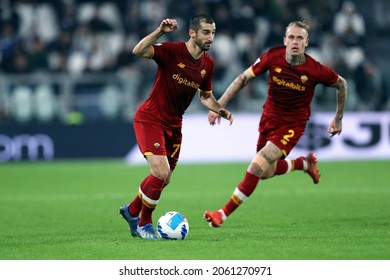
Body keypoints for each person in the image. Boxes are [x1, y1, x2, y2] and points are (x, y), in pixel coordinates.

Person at [204, 20, 347, 228]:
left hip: (292, 125)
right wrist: (219, 106)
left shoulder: (315, 69)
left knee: (256, 166)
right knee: (266, 172)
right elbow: (243, 78)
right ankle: (304, 163)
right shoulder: (273, 56)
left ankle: (221, 214)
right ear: (285, 40)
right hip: (269, 119)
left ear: (306, 42)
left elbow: (341, 83)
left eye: (300, 38)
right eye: (291, 37)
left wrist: (339, 117)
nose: (295, 41)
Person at [119, 14, 233, 239]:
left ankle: (132, 210)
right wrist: (160, 31)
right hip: (150, 118)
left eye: (213, 33)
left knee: (165, 178)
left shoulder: (208, 64)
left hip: (174, 124)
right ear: (192, 33)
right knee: (160, 172)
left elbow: (205, 97)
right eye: (206, 32)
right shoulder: (172, 51)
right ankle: (144, 223)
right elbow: (138, 51)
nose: (211, 37)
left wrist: (219, 108)